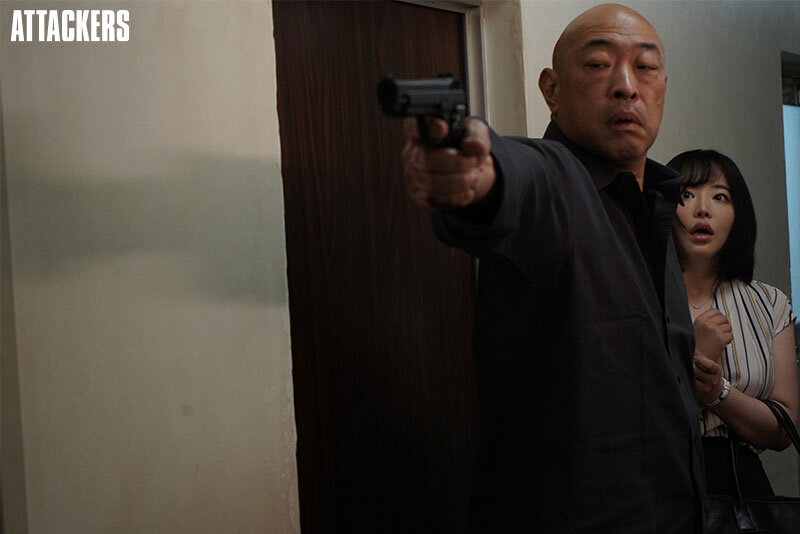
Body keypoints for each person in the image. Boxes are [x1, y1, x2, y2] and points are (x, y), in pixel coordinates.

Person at [401, 3, 706, 532]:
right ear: (551, 89)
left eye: (645, 67)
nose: (625, 86)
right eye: (598, 64)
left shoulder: (657, 201)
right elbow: (512, 174)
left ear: (663, 86)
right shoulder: (557, 179)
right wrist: (473, 172)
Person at [668, 149, 798, 497]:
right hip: (660, 487)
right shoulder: (638, 298)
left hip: (745, 493)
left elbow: (784, 429)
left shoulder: (770, 303)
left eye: (720, 196)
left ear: (738, 214)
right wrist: (696, 359)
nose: (702, 209)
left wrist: (717, 392)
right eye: (686, 195)